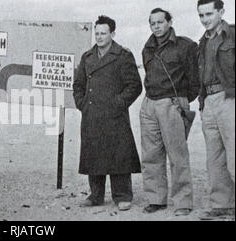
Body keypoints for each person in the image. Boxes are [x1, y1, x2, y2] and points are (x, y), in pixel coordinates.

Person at [73, 16, 142, 211]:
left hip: (115, 115)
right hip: (92, 114)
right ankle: (95, 195)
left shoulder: (123, 55)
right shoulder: (87, 57)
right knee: (93, 154)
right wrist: (82, 103)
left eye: (104, 33)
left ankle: (122, 195)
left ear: (112, 34)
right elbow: (78, 85)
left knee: (118, 154)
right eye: (97, 33)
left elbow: (134, 85)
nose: (100, 37)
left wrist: (118, 103)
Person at [140, 8, 200, 216]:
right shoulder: (147, 48)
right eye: (152, 23)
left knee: (177, 155)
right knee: (150, 155)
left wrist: (181, 101)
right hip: (149, 103)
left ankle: (183, 201)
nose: (156, 26)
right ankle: (156, 199)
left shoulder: (186, 46)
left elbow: (195, 80)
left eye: (160, 22)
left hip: (172, 103)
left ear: (169, 22)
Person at [196, 0, 235, 220]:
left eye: (209, 14)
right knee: (215, 157)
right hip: (209, 101)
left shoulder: (233, 35)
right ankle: (222, 205)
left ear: (221, 12)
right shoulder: (202, 41)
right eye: (201, 15)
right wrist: (203, 103)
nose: (204, 20)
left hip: (230, 99)